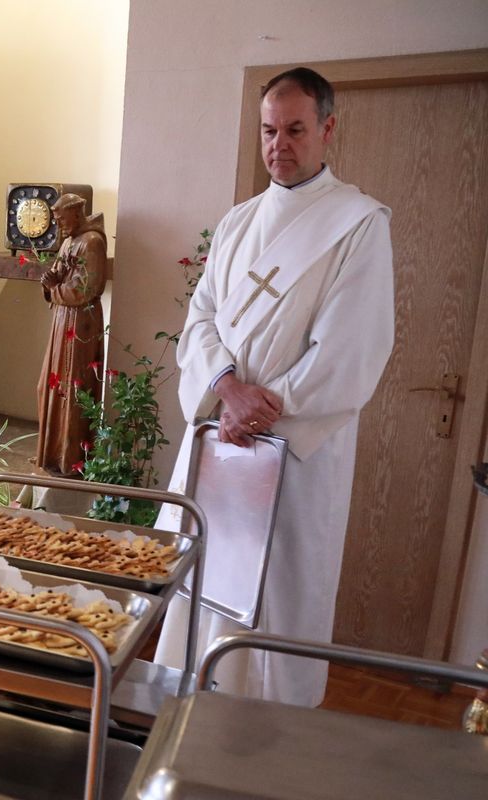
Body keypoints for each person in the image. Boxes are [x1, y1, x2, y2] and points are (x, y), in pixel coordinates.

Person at [153, 67, 394, 707]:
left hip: (294, 458)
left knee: (278, 603)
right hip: (220, 443)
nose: (278, 145)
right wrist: (226, 388)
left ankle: (269, 746)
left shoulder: (358, 225)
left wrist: (259, 411)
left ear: (327, 130)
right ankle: (181, 729)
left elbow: (350, 352)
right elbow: (200, 319)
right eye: (268, 130)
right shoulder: (237, 222)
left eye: (294, 129)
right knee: (202, 593)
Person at [34, 193, 108, 476]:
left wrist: (56, 288)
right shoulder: (67, 242)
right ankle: (52, 451)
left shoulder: (92, 242)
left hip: (81, 323)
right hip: (62, 319)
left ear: (76, 214)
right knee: (48, 386)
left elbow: (87, 288)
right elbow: (57, 276)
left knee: (73, 387)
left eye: (61, 219)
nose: (59, 225)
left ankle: (71, 458)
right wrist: (49, 284)